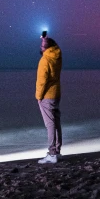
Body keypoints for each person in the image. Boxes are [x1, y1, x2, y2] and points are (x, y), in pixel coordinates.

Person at [36, 34, 62, 163]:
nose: (40, 48)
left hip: (47, 95)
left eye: (42, 46)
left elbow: (42, 81)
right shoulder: (57, 57)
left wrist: (38, 96)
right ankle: (57, 151)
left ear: (46, 48)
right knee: (56, 122)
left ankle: (52, 154)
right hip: (56, 93)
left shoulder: (45, 60)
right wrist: (45, 39)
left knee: (50, 124)